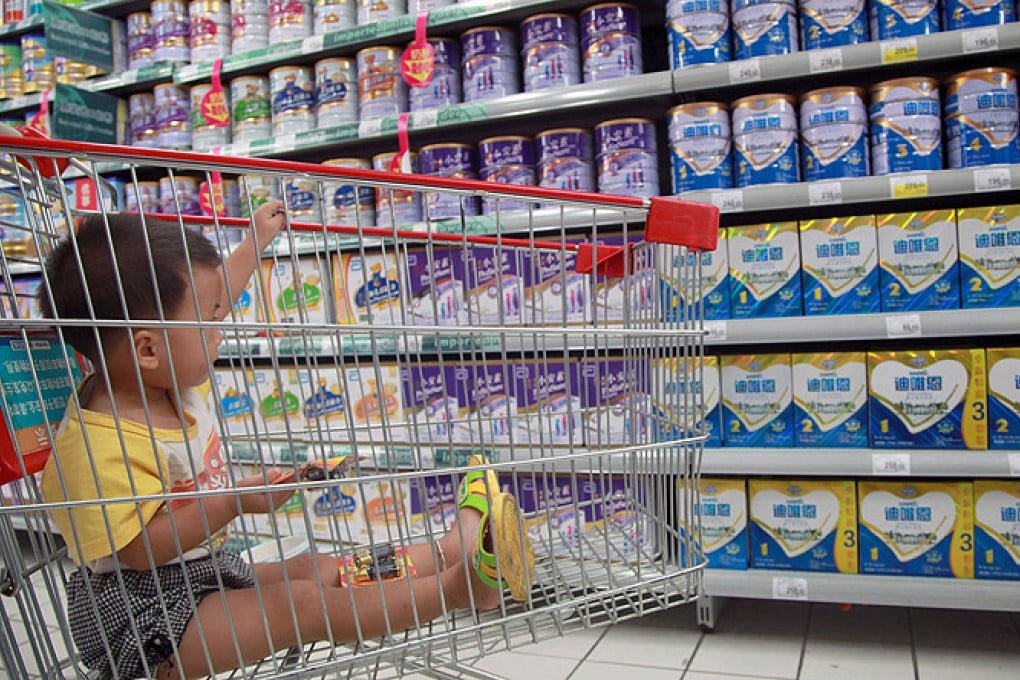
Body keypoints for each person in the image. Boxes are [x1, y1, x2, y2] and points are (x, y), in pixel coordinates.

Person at [38, 201, 533, 680]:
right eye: (209, 324)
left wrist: (255, 241)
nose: (221, 327)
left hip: (201, 574)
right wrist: (232, 502)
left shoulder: (169, 379)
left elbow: (215, 294)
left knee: (315, 567)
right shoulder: (96, 447)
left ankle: (447, 551)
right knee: (299, 605)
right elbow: (139, 551)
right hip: (142, 618)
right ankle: (460, 589)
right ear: (148, 347)